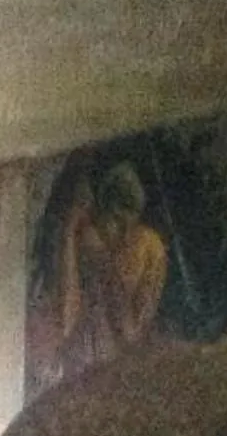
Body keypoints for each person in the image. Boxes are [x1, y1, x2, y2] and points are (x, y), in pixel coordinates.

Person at [46, 161, 169, 378]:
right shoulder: (83, 240)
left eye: (129, 224)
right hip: (85, 357)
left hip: (114, 362)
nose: (124, 234)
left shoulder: (146, 246)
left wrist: (105, 265)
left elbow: (131, 329)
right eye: (116, 220)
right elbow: (66, 315)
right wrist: (70, 232)